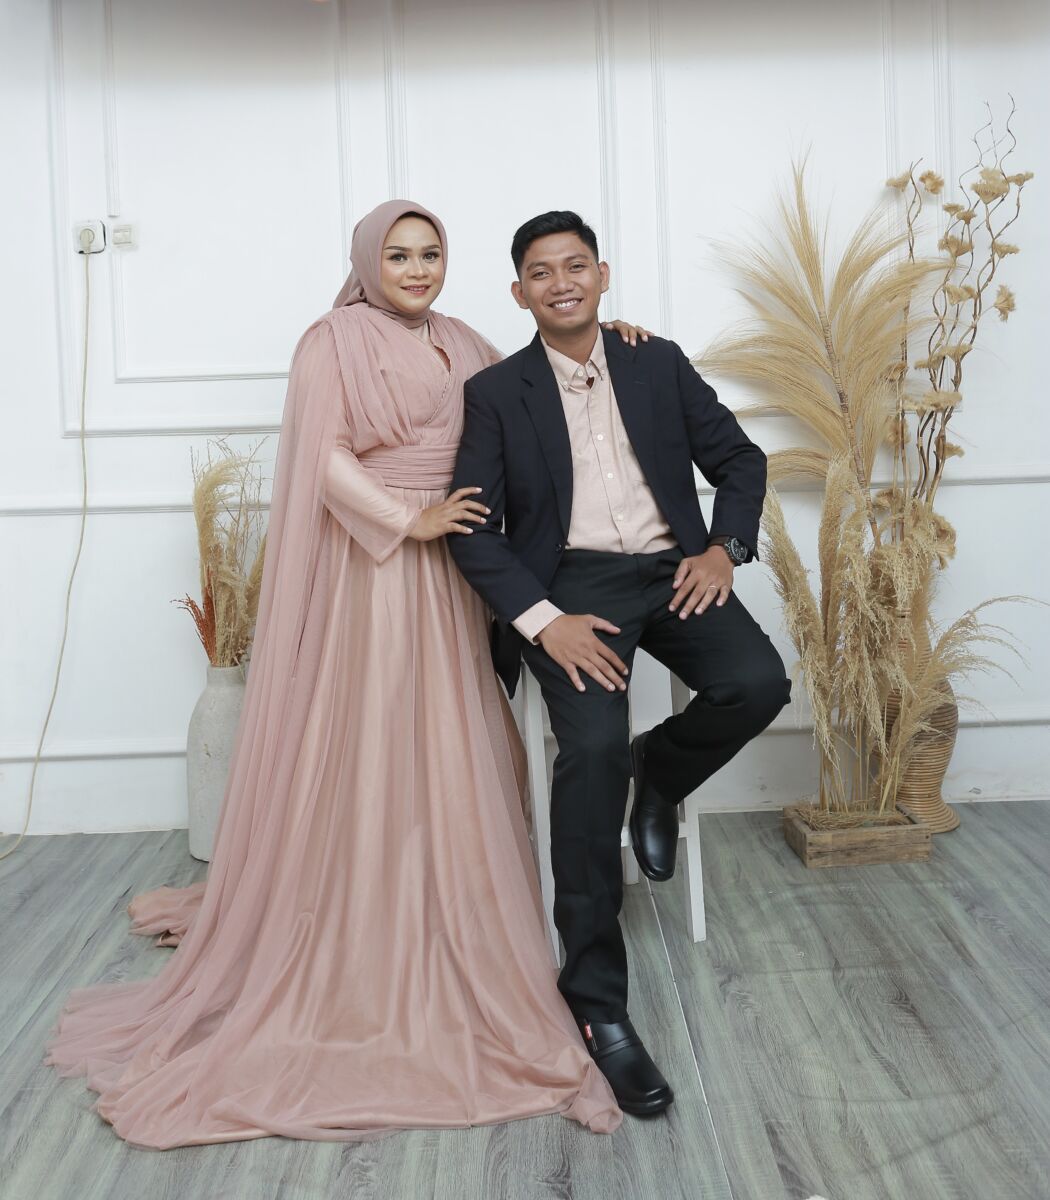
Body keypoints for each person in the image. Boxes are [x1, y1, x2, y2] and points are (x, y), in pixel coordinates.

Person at [43, 201, 655, 1146]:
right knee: (374, 721)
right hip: (375, 564)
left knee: (447, 726)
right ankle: (364, 895)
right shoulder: (330, 341)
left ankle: (446, 883)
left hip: (456, 567)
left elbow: (538, 398)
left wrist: (605, 344)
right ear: (369, 261)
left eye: (431, 253)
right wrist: (407, 517)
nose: (417, 269)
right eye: (398, 255)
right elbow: (318, 457)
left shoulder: (468, 339)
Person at [448, 210, 792, 1117]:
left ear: (603, 276)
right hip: (572, 586)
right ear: (518, 292)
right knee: (592, 753)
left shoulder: (656, 360)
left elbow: (740, 459)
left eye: (576, 266)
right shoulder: (496, 392)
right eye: (540, 272)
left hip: (676, 568)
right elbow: (473, 529)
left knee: (758, 684)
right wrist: (542, 621)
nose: (560, 282)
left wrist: (723, 549)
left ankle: (661, 771)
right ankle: (598, 1005)